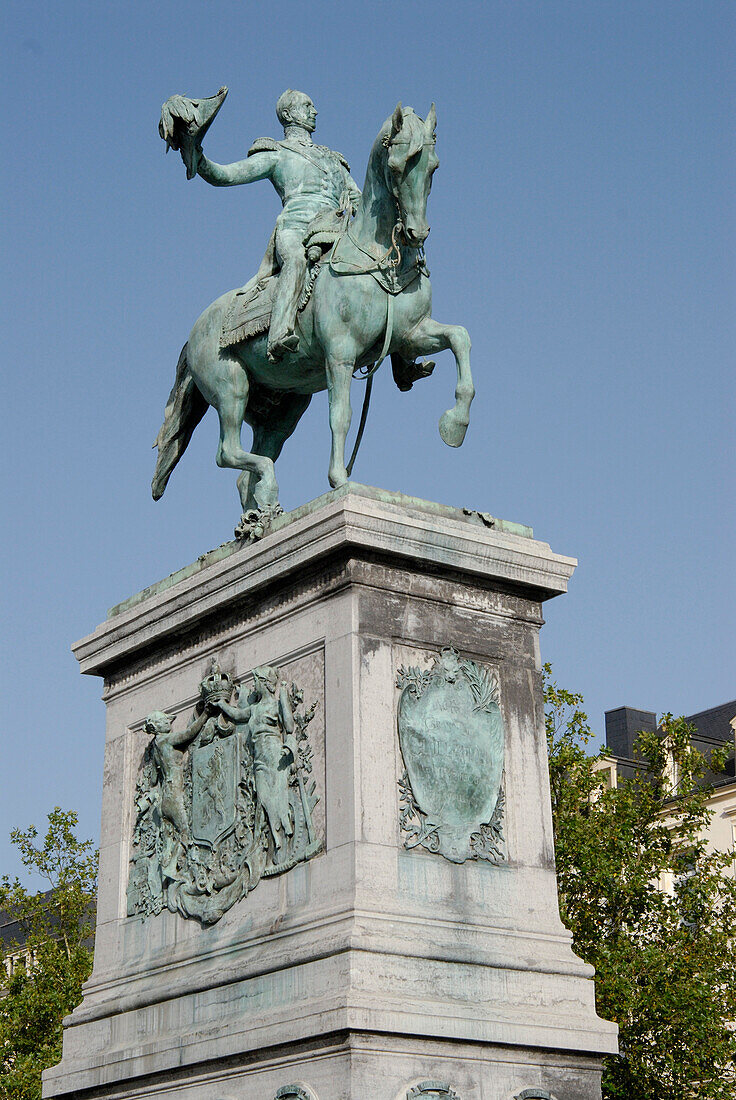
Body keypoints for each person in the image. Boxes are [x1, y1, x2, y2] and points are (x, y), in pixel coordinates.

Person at [193, 89, 361, 361]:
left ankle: (402, 357)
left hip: (337, 230)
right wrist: (198, 157)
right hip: (297, 229)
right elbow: (226, 175)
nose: (314, 111)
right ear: (288, 114)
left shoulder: (334, 160)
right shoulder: (278, 153)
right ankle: (279, 334)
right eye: (307, 106)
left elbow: (360, 200)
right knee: (295, 262)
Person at [218, 665, 298, 852]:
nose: (253, 686)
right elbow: (237, 715)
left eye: (256, 682)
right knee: (263, 795)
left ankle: (285, 827)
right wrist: (221, 704)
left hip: (274, 754)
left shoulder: (275, 704)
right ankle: (275, 832)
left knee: (279, 791)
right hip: (260, 758)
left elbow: (289, 725)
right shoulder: (255, 709)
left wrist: (284, 698)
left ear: (264, 683)